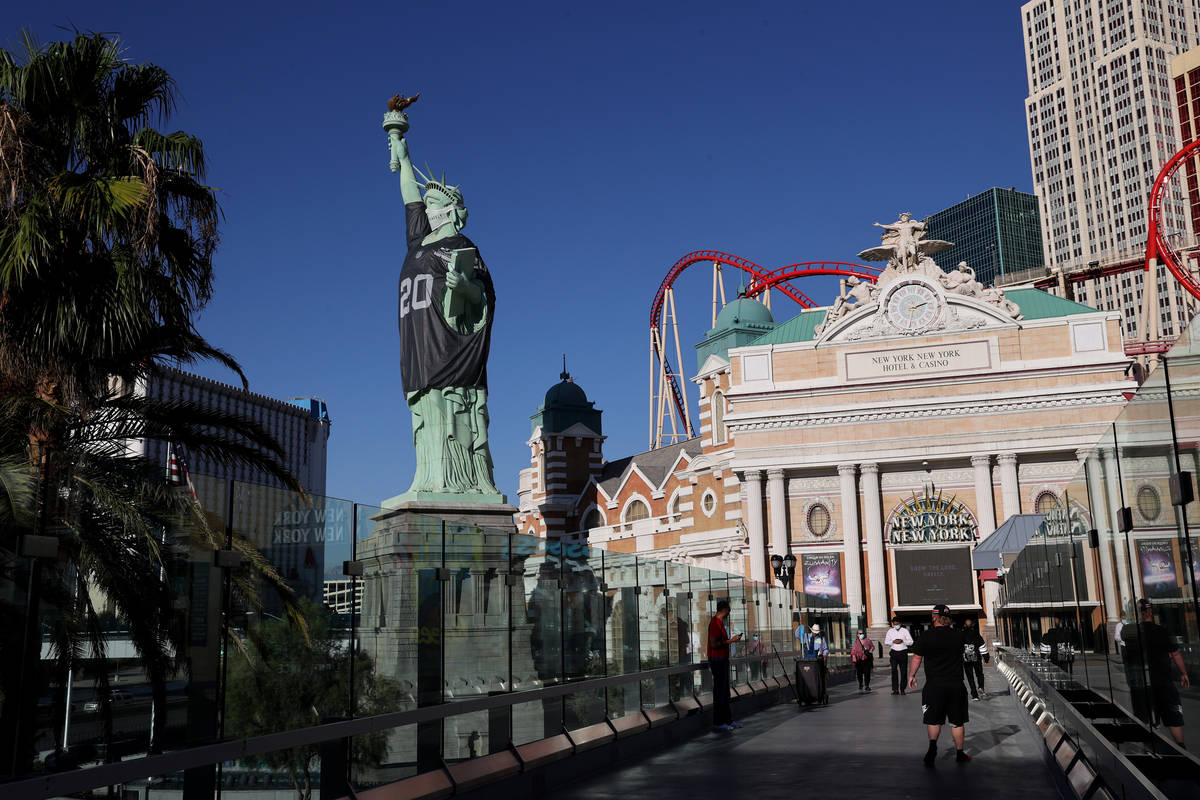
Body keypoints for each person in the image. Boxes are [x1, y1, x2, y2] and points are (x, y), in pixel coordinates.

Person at [388, 118, 501, 498]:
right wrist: (401, 150)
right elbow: (409, 192)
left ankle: (454, 483)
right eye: (428, 203)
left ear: (453, 210)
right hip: (417, 346)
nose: (427, 206)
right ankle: (429, 479)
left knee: (445, 413)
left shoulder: (463, 249)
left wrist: (465, 285)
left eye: (435, 202)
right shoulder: (419, 240)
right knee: (422, 418)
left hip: (448, 351)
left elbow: (483, 298)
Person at [908, 604, 971, 765]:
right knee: (957, 721)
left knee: (933, 720)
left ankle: (932, 747)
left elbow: (916, 657)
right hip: (956, 685)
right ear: (948, 618)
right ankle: (960, 753)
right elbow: (970, 651)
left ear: (934, 617)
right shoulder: (958, 634)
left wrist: (912, 675)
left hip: (934, 685)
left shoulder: (926, 636)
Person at [1122, 599, 1190, 745]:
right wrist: (1184, 673)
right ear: (1151, 612)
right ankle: (1181, 748)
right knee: (1173, 719)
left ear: (1138, 614)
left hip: (1144, 683)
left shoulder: (1133, 633)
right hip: (1164, 681)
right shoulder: (1162, 631)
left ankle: (1151, 752)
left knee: (1149, 722)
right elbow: (1176, 654)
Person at [708, 599, 743, 732]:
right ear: (724, 610)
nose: (730, 611)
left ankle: (727, 720)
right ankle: (718, 721)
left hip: (722, 659)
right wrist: (731, 641)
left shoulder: (720, 623)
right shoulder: (715, 623)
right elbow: (713, 644)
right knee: (720, 691)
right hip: (717, 660)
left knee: (725, 691)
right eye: (729, 609)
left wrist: (729, 641)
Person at [961, 617, 989, 700]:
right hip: (976, 658)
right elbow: (982, 646)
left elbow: (958, 647)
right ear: (972, 625)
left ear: (964, 625)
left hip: (966, 659)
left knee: (970, 677)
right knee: (979, 674)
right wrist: (986, 657)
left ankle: (974, 695)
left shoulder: (961, 635)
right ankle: (981, 687)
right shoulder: (976, 634)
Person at [885, 616, 914, 695]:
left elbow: (911, 642)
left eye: (897, 624)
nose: (896, 625)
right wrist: (893, 641)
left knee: (903, 671)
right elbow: (886, 641)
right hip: (894, 652)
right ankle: (895, 689)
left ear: (900, 624)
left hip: (903, 652)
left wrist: (902, 640)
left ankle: (902, 689)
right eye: (894, 624)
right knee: (894, 671)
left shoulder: (905, 631)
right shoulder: (890, 631)